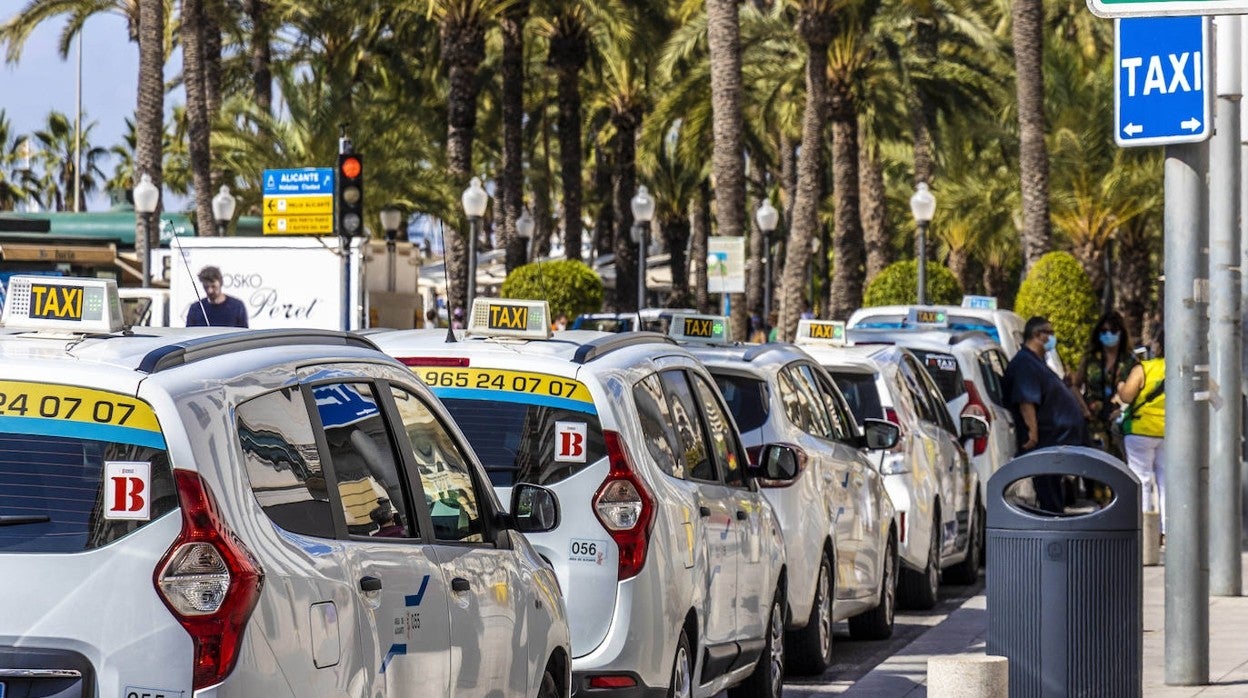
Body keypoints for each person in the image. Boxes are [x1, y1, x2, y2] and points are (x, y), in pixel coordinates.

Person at [1003, 316, 1087, 512]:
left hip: (1055, 443)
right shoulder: (1025, 363)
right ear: (1036, 335)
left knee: (1053, 491)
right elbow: (1027, 400)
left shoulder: (1036, 362)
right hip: (1044, 443)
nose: (1052, 337)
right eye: (1049, 332)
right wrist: (1032, 433)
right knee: (1048, 494)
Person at [1116, 329, 1166, 535]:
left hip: (1140, 430)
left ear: (1159, 345)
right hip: (1169, 432)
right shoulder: (1182, 368)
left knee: (1141, 479)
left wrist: (1120, 386)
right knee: (1166, 482)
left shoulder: (1145, 368)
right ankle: (1166, 529)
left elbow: (1127, 396)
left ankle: (1145, 531)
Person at [1073, 311, 1136, 457]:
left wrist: (1124, 410)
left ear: (1121, 333)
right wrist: (1084, 409)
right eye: (1104, 331)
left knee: (1120, 466)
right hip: (1094, 421)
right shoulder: (1090, 358)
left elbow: (1137, 392)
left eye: (1113, 331)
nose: (1108, 334)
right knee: (1097, 463)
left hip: (1120, 421)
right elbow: (1075, 385)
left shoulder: (1130, 361)